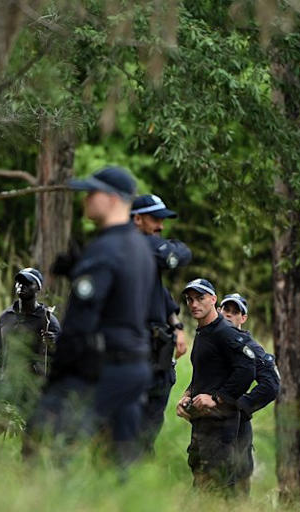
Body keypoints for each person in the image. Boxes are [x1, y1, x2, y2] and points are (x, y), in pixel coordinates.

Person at [26, 166, 156, 468]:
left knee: (45, 442)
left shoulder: (104, 249)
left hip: (101, 368)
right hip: (136, 368)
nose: (85, 199)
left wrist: (57, 377)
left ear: (111, 199)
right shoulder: (140, 249)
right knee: (119, 464)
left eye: (91, 193)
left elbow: (78, 324)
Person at [176, 279, 256, 494]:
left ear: (213, 300)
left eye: (200, 298)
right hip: (202, 423)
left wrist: (218, 398)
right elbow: (208, 374)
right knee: (203, 485)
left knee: (218, 490)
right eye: (189, 299)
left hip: (221, 426)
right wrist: (187, 395)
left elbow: (248, 369)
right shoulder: (204, 332)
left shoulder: (225, 332)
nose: (194, 304)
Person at [131, 194, 192, 454]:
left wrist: (177, 326)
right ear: (137, 219)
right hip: (134, 357)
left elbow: (162, 295)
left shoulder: (149, 256)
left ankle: (143, 489)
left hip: (157, 359)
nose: (161, 226)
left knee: (148, 433)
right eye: (156, 219)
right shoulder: (133, 247)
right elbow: (178, 254)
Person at [219, 293, 280, 495]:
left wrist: (242, 407)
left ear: (243, 318)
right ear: (219, 311)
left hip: (237, 426)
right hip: (209, 424)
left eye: (235, 312)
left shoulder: (249, 346)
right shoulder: (210, 339)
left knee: (237, 486)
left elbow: (271, 384)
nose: (229, 315)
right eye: (226, 310)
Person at [0, 267, 60, 416]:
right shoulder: (5, 317)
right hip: (7, 383)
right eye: (19, 282)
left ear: (38, 288)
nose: (21, 286)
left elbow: (60, 357)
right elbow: (0, 352)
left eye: (28, 283)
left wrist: (53, 343)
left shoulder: (48, 320)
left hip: (33, 387)